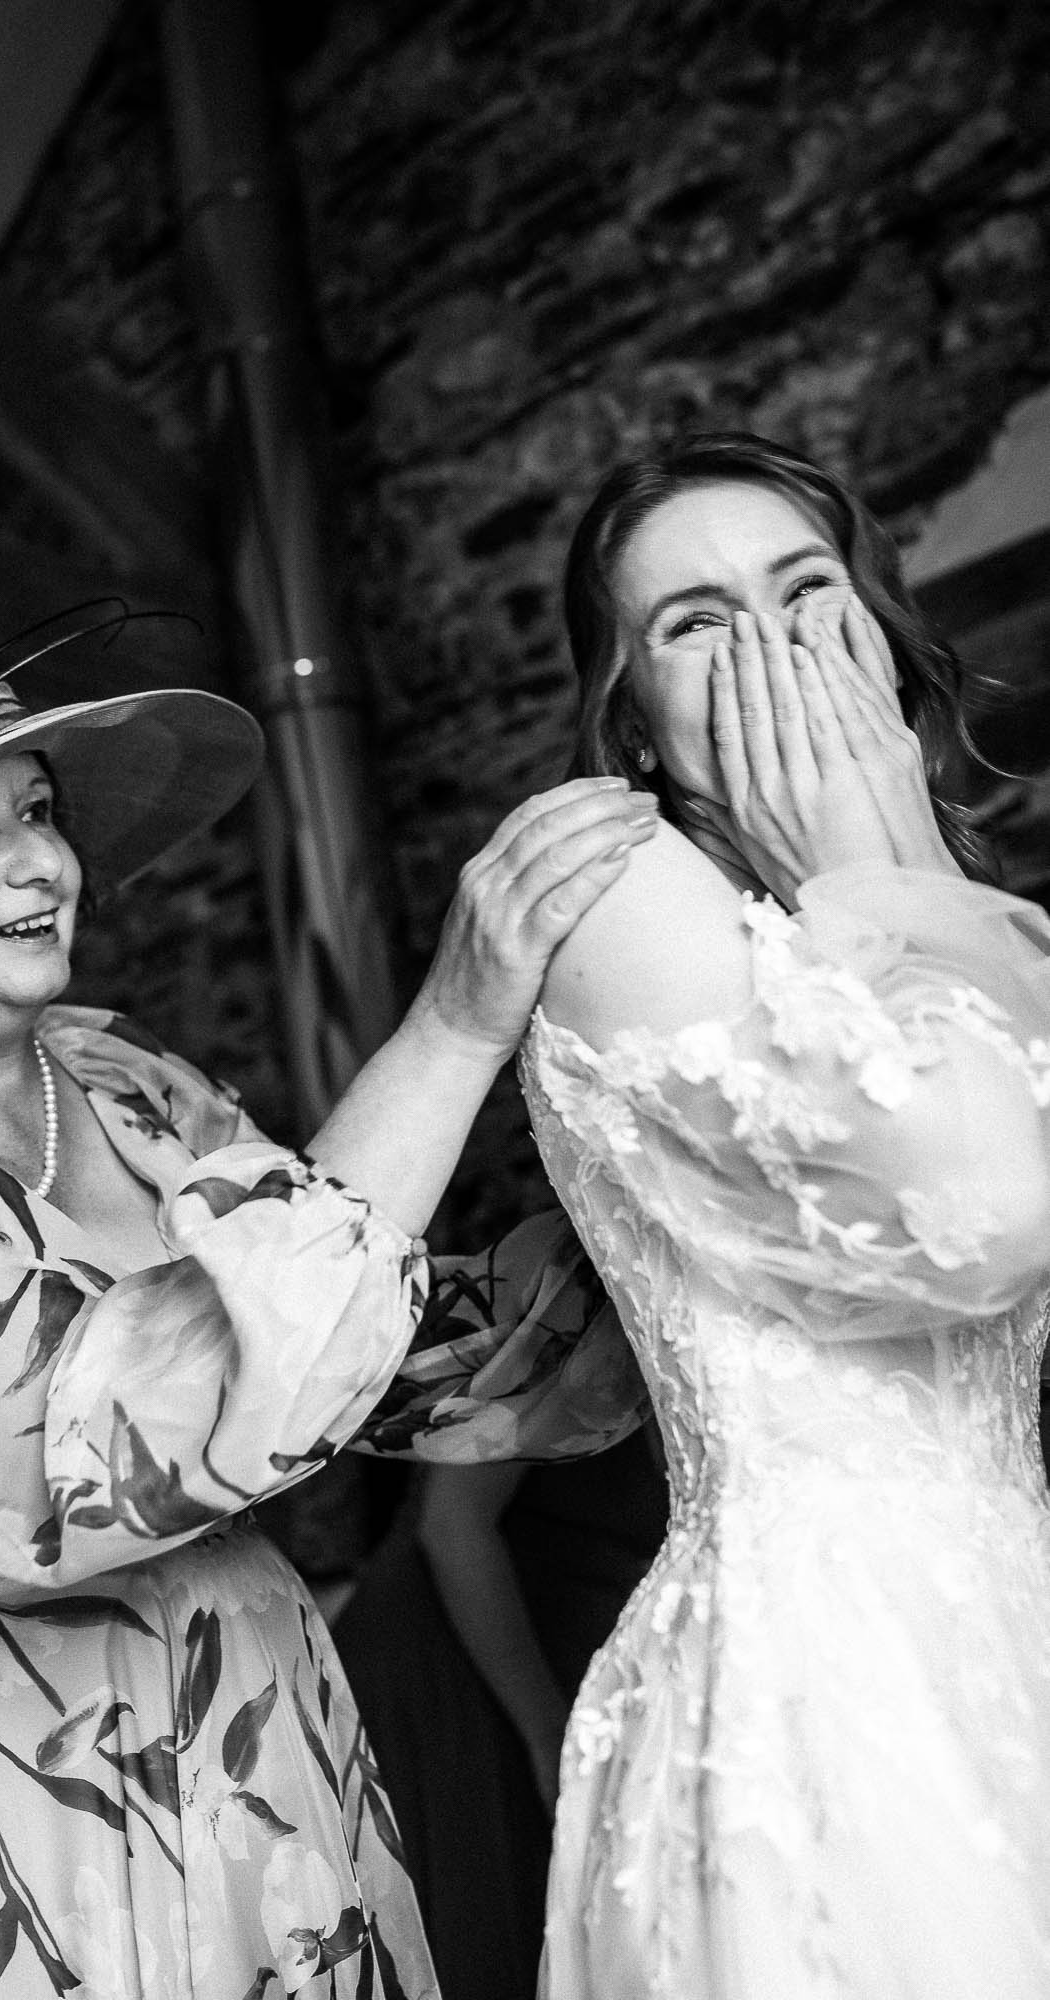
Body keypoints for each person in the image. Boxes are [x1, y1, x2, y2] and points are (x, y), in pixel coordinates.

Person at [0, 605, 659, 1999]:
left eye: (35, 809)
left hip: (246, 1741)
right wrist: (451, 1027)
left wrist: (672, 1276)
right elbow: (90, 1444)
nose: (41, 858)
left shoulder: (126, 1084)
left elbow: (360, 1347)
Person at [520, 431, 1050, 1999]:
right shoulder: (626, 901)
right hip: (826, 1696)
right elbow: (983, 1206)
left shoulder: (932, 914)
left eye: (806, 590)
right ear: (633, 721)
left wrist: (886, 863)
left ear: (881, 639)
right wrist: (873, 854)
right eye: (693, 621)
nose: (767, 646)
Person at [331, 1431, 668, 2000]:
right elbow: (452, 1526)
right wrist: (542, 1728)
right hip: (467, 1662)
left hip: (576, 1657)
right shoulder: (569, 1342)